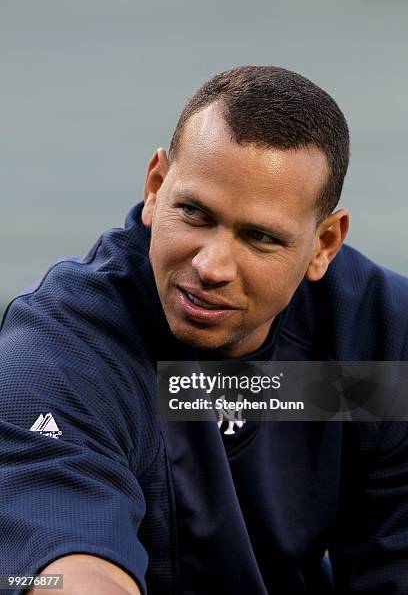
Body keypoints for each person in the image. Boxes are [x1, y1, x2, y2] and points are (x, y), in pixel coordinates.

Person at [0, 65, 407, 595]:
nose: (212, 266)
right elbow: (66, 570)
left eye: (259, 237)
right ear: (155, 187)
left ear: (324, 244)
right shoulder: (60, 353)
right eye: (194, 213)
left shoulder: (377, 345)